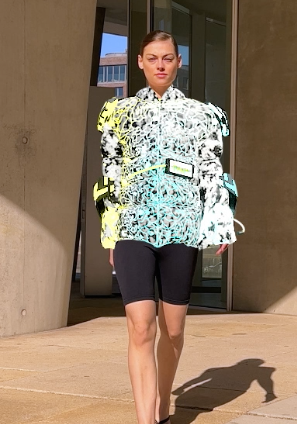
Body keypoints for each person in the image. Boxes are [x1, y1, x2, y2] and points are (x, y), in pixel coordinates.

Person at [94, 30, 237, 424]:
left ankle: (160, 407)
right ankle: (147, 420)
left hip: (182, 228)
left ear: (178, 63)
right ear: (140, 62)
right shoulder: (119, 113)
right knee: (141, 328)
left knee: (172, 331)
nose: (160, 65)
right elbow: (111, 172)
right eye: (153, 58)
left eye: (168, 58)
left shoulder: (201, 114)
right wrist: (111, 230)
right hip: (132, 228)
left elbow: (211, 168)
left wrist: (219, 218)